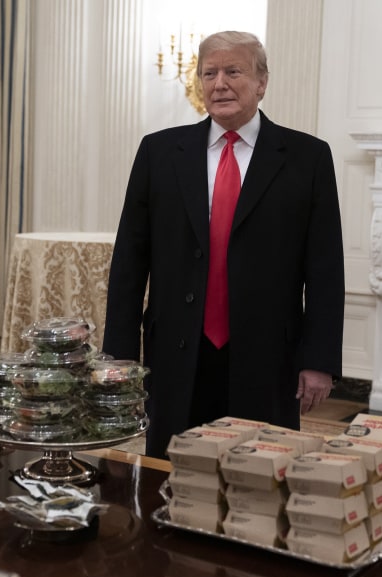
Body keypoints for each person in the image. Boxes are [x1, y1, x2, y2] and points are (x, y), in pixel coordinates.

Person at [103, 31, 344, 458]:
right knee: (171, 476)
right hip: (177, 351)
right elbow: (129, 260)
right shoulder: (159, 152)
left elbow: (325, 269)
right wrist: (120, 354)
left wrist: (319, 360)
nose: (220, 83)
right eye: (209, 73)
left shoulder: (308, 158)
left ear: (262, 82)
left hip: (268, 356)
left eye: (234, 71)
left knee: (259, 477)